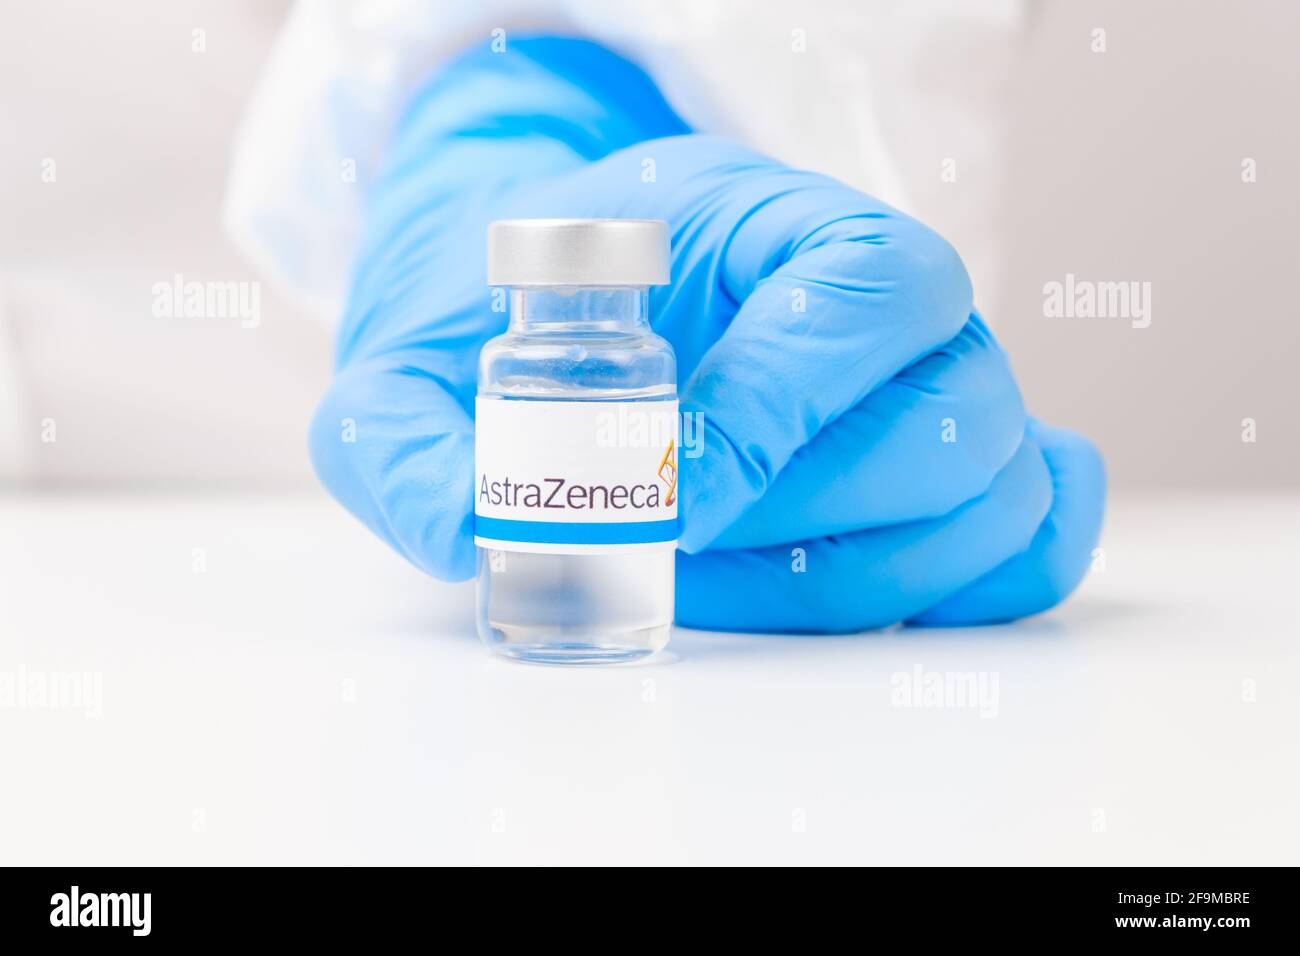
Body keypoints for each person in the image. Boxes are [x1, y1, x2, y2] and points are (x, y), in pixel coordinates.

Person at [226, 5, 1105, 632]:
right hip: (192, 477)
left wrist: (947, 433)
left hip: (777, 707)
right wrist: (501, 88)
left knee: (951, 483)